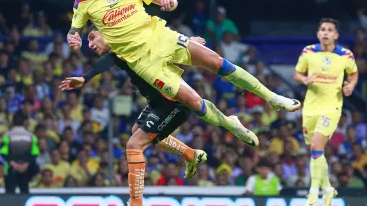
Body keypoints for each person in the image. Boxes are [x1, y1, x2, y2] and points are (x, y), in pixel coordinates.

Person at [66, 0, 300, 141]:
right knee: (194, 102)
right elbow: (74, 30)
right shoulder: (84, 1)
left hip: (162, 38)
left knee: (215, 61)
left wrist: (169, 1)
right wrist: (73, 37)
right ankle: (231, 124)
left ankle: (272, 97)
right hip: (143, 63)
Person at [60, 25, 259, 206]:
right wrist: (85, 77)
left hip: (173, 101)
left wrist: (188, 44)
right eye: (88, 42)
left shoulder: (131, 42)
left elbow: (162, 37)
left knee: (134, 145)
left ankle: (136, 203)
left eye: (93, 37)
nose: (91, 44)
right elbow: (108, 60)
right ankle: (191, 154)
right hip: (158, 103)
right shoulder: (120, 50)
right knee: (136, 131)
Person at [294, 18, 358, 206]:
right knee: (316, 152)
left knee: (316, 146)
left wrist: (351, 85)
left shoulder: (346, 55)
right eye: (322, 29)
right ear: (317, 33)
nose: (325, 33)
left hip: (332, 108)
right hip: (310, 108)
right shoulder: (308, 51)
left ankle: (313, 193)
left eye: (330, 30)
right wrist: (304, 80)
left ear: (336, 35)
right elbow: (297, 74)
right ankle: (328, 187)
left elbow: (353, 73)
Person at [0, 112, 40, 194]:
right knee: (24, 193)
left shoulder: (7, 136)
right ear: (25, 122)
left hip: (11, 169)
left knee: (9, 194)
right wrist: (26, 164)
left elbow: (3, 152)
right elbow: (35, 153)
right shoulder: (31, 136)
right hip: (25, 170)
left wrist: (13, 164)